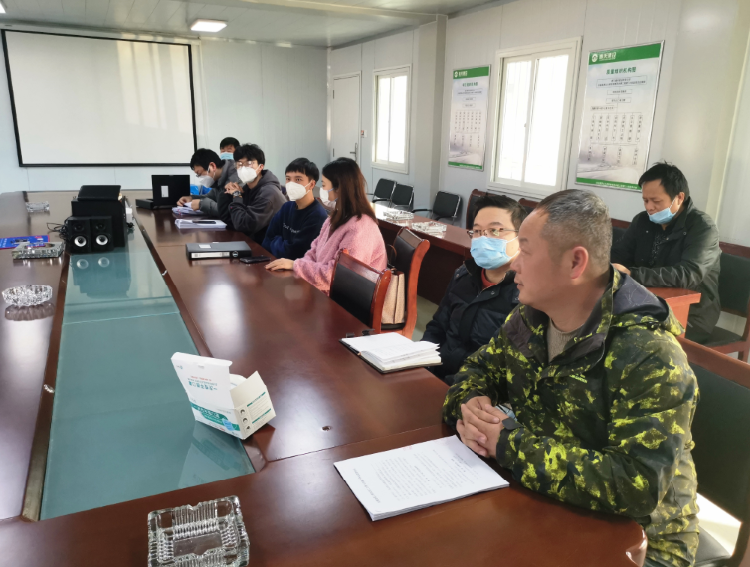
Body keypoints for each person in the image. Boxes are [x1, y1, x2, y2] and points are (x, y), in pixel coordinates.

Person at [443, 190, 699, 567]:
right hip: (547, 503)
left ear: (575, 263)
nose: (514, 264)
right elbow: (476, 370)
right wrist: (471, 406)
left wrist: (509, 445)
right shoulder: (529, 318)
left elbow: (637, 486)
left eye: (525, 250)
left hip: (638, 542)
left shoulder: (648, 355)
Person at [611, 162, 720, 344]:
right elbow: (619, 254)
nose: (649, 207)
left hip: (692, 313)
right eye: (645, 200)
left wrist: (632, 274)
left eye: (656, 201)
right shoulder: (643, 221)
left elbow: (689, 274)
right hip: (647, 302)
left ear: (679, 197)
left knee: (635, 341)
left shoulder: (702, 227)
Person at [422, 194, 526, 382]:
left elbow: (510, 368)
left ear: (521, 238)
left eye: (495, 231)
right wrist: (419, 363)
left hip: (475, 390)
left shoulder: (526, 294)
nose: (483, 238)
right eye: (477, 231)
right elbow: (437, 327)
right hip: (437, 375)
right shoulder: (463, 275)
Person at [266, 157, 386, 295]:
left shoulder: (361, 228)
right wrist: (299, 266)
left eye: (323, 185)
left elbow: (340, 277)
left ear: (339, 188)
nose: (321, 190)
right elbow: (314, 250)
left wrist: (295, 265)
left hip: (348, 300)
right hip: (324, 290)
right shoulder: (335, 218)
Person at [261, 158, 328, 260]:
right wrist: (284, 244)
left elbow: (295, 253)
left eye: (298, 180)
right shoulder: (286, 207)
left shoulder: (318, 216)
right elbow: (267, 240)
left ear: (311, 184)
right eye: (288, 179)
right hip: (275, 263)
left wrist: (277, 241)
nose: (291, 184)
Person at [217, 144, 286, 243]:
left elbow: (243, 225)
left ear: (260, 167)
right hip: (254, 241)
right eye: (240, 164)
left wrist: (237, 195)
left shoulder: (268, 193)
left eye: (249, 164)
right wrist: (227, 192)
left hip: (268, 247)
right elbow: (230, 221)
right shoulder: (248, 188)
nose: (243, 168)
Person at [177, 148, 240, 216]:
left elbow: (230, 211)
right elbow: (210, 197)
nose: (200, 178)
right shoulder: (218, 180)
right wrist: (191, 198)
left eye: (199, 174)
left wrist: (201, 204)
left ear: (212, 166)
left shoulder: (236, 177)